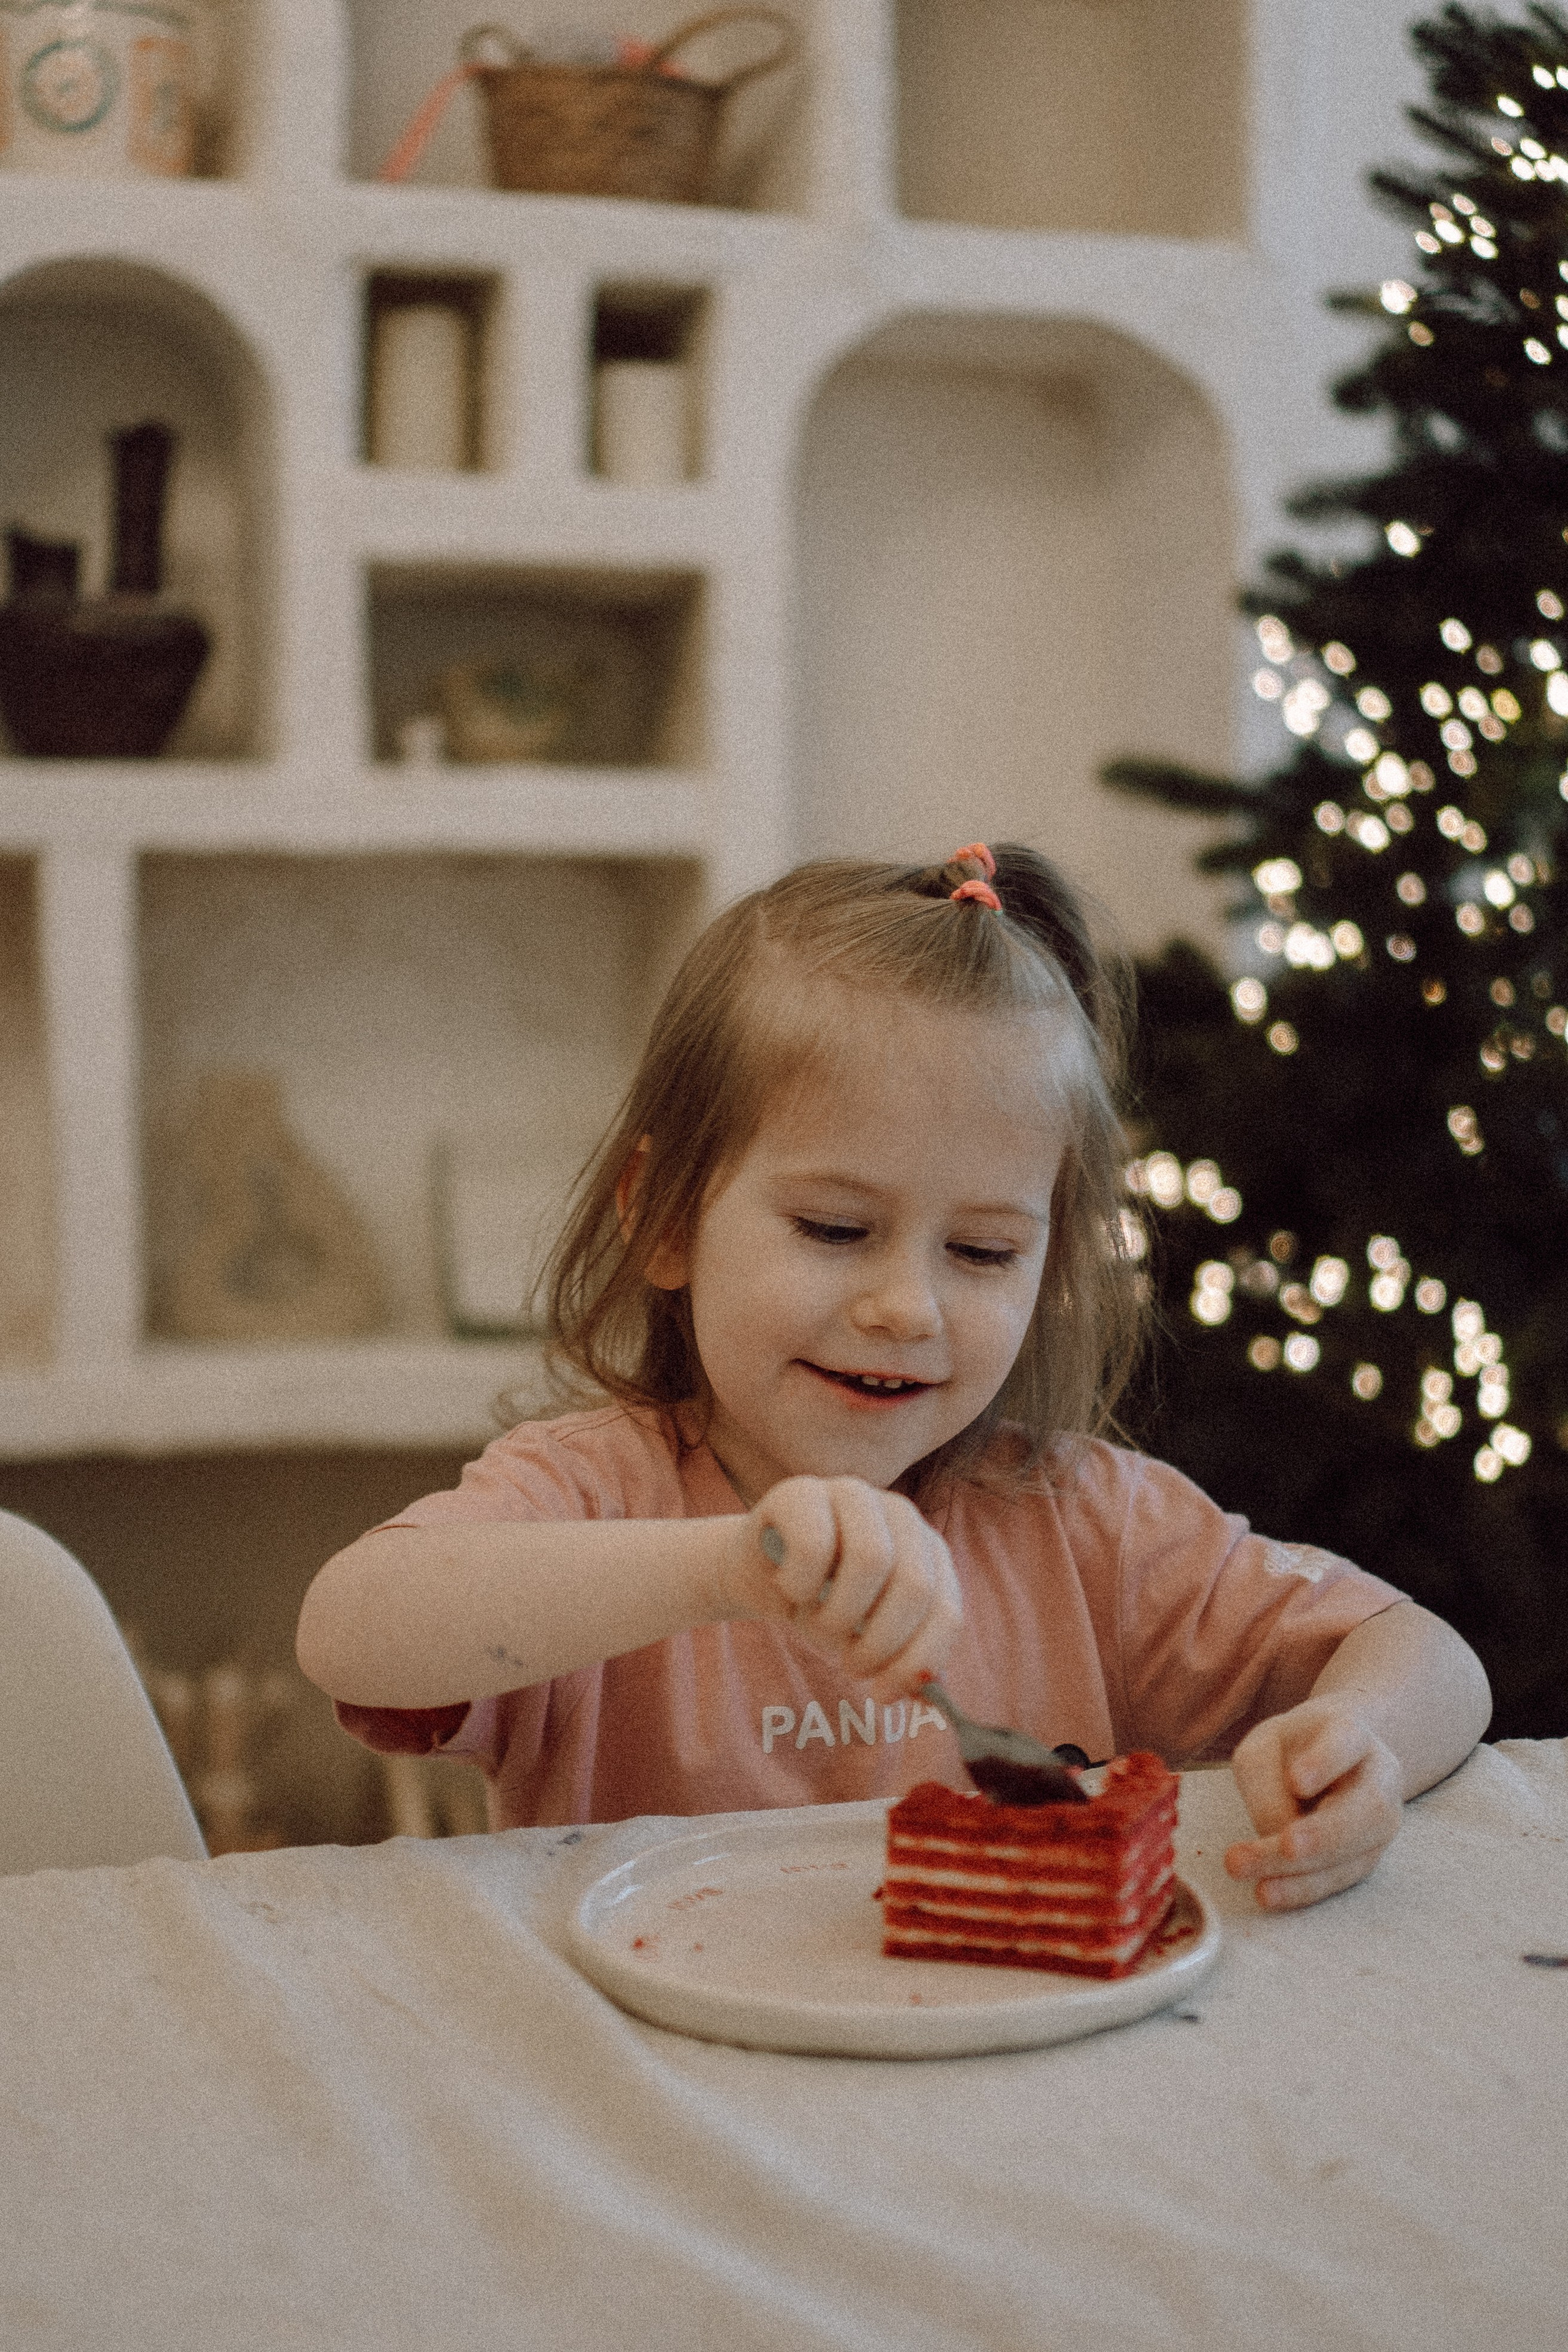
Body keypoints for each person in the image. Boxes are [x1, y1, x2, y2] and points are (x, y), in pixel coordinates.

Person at [297, 843, 1491, 1910]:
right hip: (661, 2104)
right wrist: (726, 1566)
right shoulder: (595, 1492)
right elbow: (350, 1630)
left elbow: (1427, 1655)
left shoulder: (1089, 1527)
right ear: (661, 1218)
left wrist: (1355, 1738)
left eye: (980, 1251)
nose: (906, 1308)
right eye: (831, 1228)